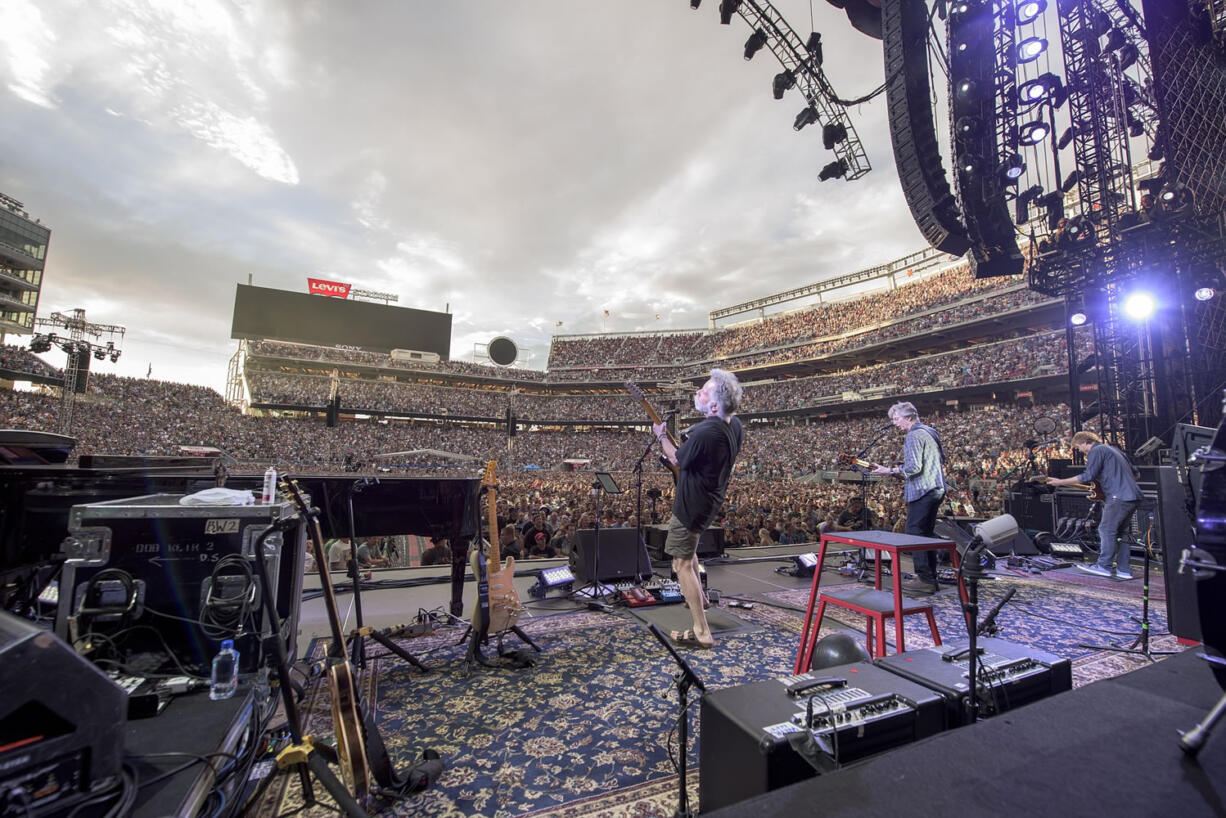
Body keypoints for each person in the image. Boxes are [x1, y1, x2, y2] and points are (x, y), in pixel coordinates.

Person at [653, 369, 744, 649]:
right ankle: (701, 599)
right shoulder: (735, 425)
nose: (698, 394)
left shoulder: (705, 431)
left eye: (704, 391)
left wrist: (660, 436)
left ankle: (701, 629)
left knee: (680, 564)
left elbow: (676, 458)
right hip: (709, 500)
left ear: (715, 405)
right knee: (689, 551)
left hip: (691, 505)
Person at [872, 401, 947, 595]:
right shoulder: (931, 431)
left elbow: (913, 468)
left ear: (909, 417)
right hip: (937, 487)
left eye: (896, 419)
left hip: (922, 490)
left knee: (915, 532)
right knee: (927, 534)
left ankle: (924, 579)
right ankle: (931, 578)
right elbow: (941, 458)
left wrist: (889, 470)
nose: (895, 423)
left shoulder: (913, 435)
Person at [1046, 430, 1140, 579]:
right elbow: (1136, 473)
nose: (1080, 451)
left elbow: (1088, 476)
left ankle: (1104, 566)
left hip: (1118, 497)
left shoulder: (1096, 450)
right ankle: (1124, 569)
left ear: (1085, 442)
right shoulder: (1114, 450)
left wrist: (1060, 482)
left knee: (1106, 530)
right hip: (1133, 496)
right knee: (1122, 533)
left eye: (1078, 447)